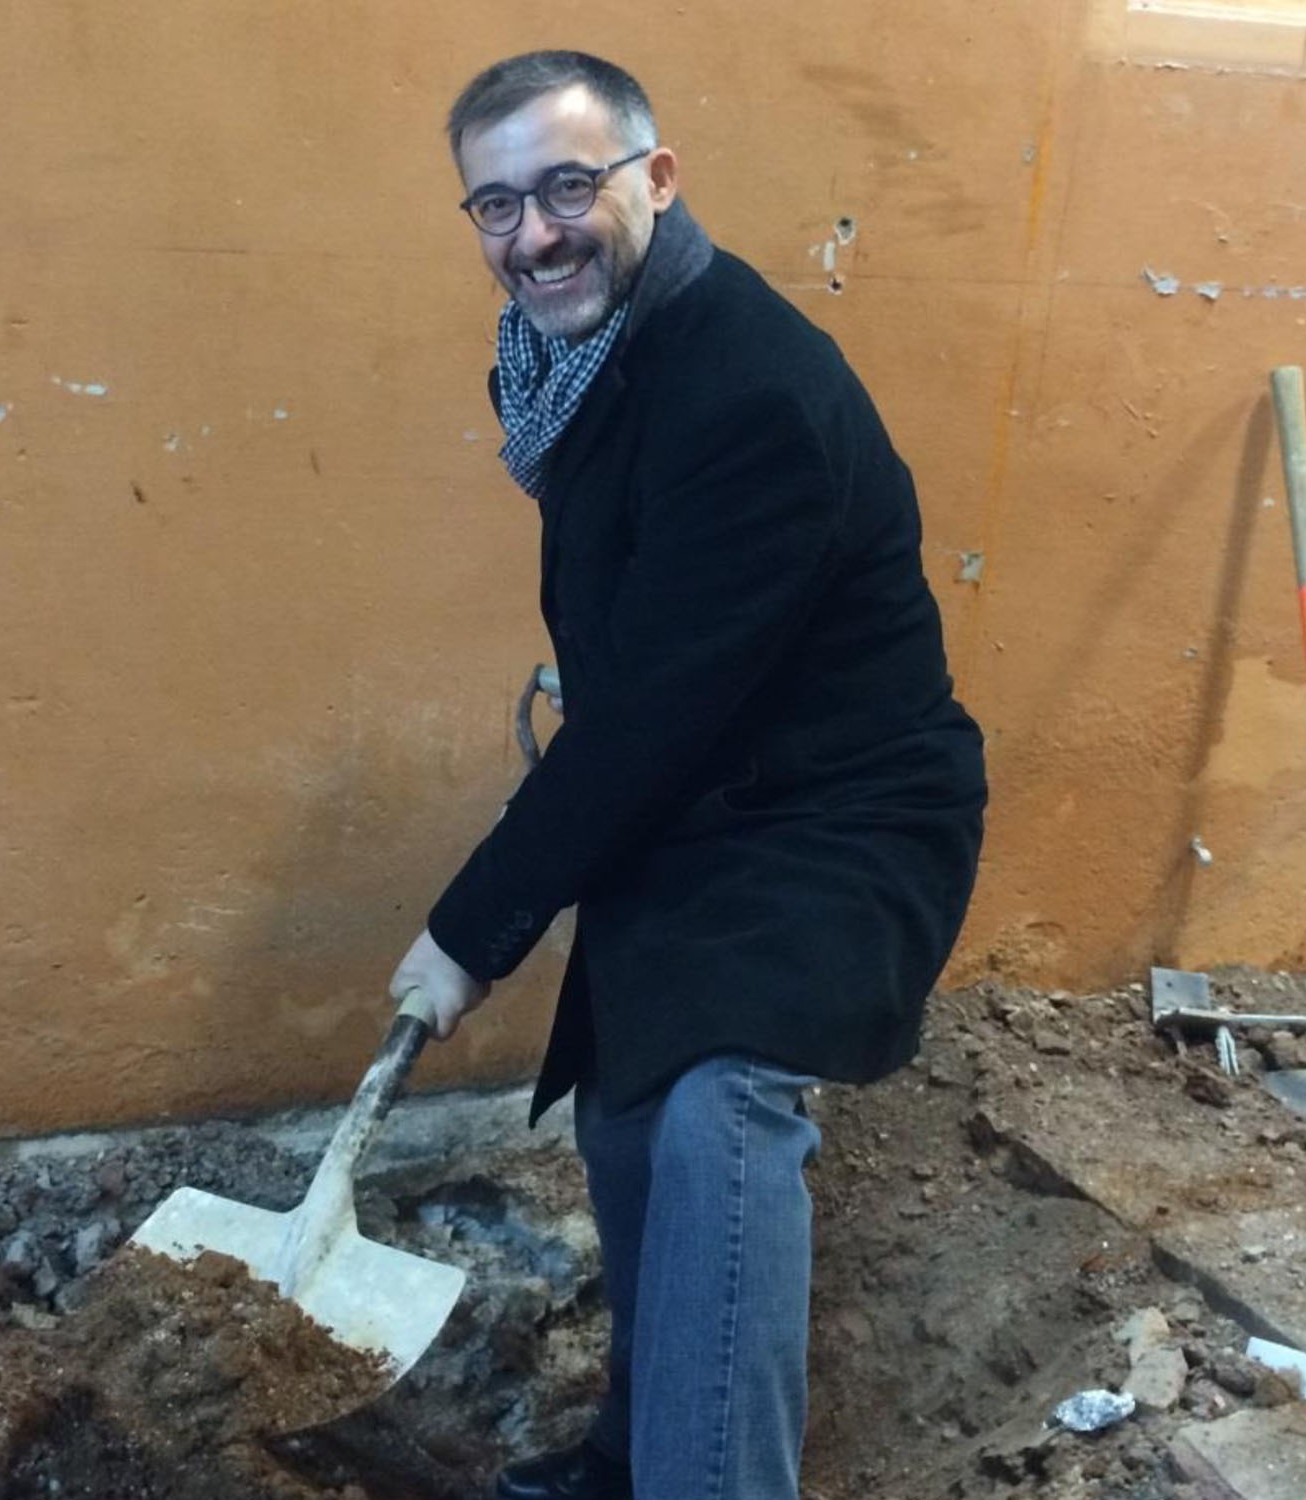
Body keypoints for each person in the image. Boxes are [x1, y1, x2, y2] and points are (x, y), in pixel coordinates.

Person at [389, 50, 986, 1500]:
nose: (535, 234)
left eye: (568, 187)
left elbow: (652, 711)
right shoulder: (581, 357)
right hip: (712, 790)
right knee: (623, 1097)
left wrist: (470, 932)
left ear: (656, 179)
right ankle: (634, 1452)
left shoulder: (745, 388)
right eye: (495, 204)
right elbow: (651, 691)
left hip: (840, 813)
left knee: (720, 1096)